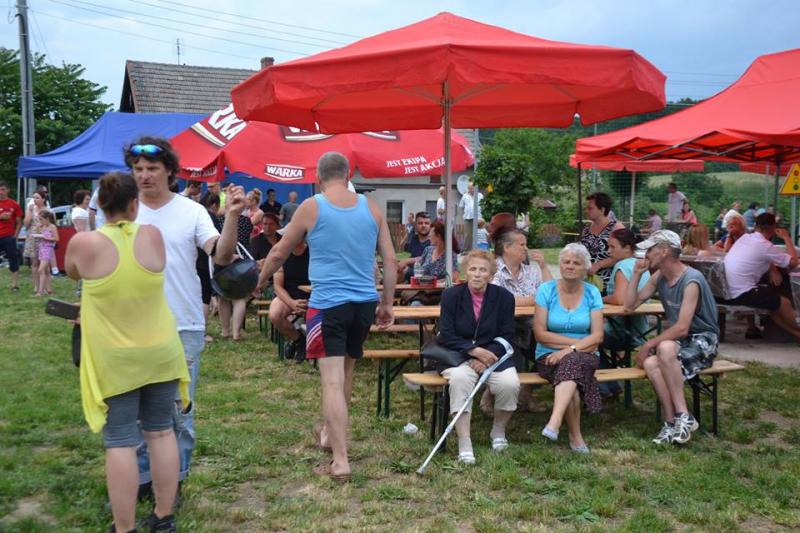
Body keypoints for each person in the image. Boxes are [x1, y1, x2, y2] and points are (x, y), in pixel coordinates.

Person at [255, 151, 396, 482]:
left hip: (328, 304)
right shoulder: (371, 208)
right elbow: (390, 260)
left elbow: (278, 252)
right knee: (346, 373)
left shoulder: (312, 206)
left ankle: (341, 461)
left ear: (318, 178)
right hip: (363, 303)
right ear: (348, 175)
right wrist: (387, 303)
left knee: (331, 380)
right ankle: (331, 437)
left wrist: (258, 281)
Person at [65, 172, 190, 533]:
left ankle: (124, 528)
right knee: (161, 433)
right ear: (134, 204)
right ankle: (163, 518)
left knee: (120, 441)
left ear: (100, 204)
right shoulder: (153, 236)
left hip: (116, 359)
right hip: (161, 352)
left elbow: (73, 273)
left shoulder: (84, 244)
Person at [124, 136, 241, 499]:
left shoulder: (192, 211)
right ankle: (144, 478)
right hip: (131, 326)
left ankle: (174, 479)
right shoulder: (121, 210)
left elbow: (221, 256)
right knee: (135, 408)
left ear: (170, 171)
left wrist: (232, 217)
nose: (144, 175)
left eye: (151, 168)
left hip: (183, 323)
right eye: (137, 169)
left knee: (179, 411)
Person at [624, 230, 719, 445]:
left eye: (650, 249)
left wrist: (648, 344)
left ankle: (682, 416)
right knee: (651, 362)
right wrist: (636, 275)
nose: (646, 254)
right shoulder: (659, 276)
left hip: (704, 340)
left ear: (665, 251)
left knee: (664, 347)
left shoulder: (691, 279)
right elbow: (629, 306)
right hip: (682, 342)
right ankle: (672, 422)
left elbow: (682, 328)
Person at [437, 250, 518, 464]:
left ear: (491, 275)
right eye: (472, 269)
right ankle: (464, 441)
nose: (477, 274)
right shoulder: (451, 296)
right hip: (458, 356)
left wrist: (486, 357)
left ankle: (498, 431)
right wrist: (473, 351)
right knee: (460, 380)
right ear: (466, 272)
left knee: (509, 384)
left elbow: (507, 334)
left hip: (494, 356)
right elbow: (446, 335)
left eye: (483, 270)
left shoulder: (504, 298)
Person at [534, 243, 603, 454]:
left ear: (585, 268)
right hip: (548, 355)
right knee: (571, 370)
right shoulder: (546, 290)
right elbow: (540, 334)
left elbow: (598, 336)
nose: (570, 266)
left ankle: (554, 423)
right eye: (566, 262)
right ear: (560, 265)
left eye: (576, 263)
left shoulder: (592, 293)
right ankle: (575, 437)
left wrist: (568, 350)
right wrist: (578, 346)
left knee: (570, 364)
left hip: (584, 356)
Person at [488, 228, 551, 411]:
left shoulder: (531, 271)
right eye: (522, 244)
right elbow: (499, 299)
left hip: (532, 325)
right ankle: (492, 397)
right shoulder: (493, 269)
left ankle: (526, 391)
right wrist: (533, 299)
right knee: (511, 347)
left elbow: (549, 294)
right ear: (507, 247)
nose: (526, 248)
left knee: (551, 350)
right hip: (503, 327)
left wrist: (544, 267)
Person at [723, 213, 800, 343]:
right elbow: (793, 263)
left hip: (726, 291)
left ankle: (797, 334)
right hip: (742, 292)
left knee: (773, 306)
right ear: (773, 228)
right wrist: (787, 238)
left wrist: (772, 268)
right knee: (784, 302)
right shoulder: (765, 245)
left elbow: (758, 255)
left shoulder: (745, 238)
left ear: (756, 226)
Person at [600, 229, 651, 399]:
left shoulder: (621, 266)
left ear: (627, 248)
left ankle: (607, 386)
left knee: (584, 337)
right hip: (641, 331)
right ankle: (610, 384)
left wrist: (599, 298)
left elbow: (619, 299)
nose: (608, 251)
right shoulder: (640, 266)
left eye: (612, 247)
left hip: (622, 332)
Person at [269, 231, 311, 362]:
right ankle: (299, 340)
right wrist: (291, 303)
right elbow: (277, 286)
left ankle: (312, 345)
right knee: (275, 315)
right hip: (288, 295)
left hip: (313, 295)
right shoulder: (281, 255)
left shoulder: (314, 253)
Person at [580, 192, 624, 293]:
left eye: (590, 208)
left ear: (602, 210)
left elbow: (623, 255)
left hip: (608, 283)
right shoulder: (586, 229)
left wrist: (598, 265)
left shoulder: (616, 228)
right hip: (586, 282)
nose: (586, 211)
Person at [23, 191, 48, 293]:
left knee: (44, 263)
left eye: (37, 198)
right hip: (32, 237)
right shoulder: (31, 209)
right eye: (34, 198)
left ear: (43, 199)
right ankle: (36, 286)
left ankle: (45, 287)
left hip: (44, 238)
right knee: (34, 262)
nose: (35, 200)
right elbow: (26, 224)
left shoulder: (47, 210)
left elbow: (51, 225)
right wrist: (29, 212)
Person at [0, 182, 23, 291]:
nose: (0, 192)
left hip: (8, 237)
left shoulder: (14, 204)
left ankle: (14, 285)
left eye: (3, 189)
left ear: (8, 190)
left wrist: (15, 235)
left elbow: (19, 221)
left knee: (13, 259)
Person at [396, 212, 432, 280]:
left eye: (426, 223)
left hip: (428, 274)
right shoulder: (413, 239)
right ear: (415, 225)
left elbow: (429, 258)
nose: (423, 225)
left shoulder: (434, 241)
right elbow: (408, 255)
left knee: (403, 270)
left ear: (431, 225)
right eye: (420, 223)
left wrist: (407, 261)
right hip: (414, 273)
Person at [34, 209, 58, 296]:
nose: (40, 221)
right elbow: (37, 234)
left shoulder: (52, 227)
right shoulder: (42, 226)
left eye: (41, 219)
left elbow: (56, 238)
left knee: (40, 270)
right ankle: (49, 289)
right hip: (41, 249)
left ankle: (40, 291)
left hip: (48, 249)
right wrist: (38, 228)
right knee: (46, 270)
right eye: (39, 219)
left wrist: (46, 238)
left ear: (47, 218)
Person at [458, 182, 483, 250]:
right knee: (468, 234)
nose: (471, 190)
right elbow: (461, 206)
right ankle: (466, 249)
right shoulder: (465, 196)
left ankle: (478, 249)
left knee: (479, 233)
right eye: (469, 188)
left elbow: (483, 205)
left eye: (472, 188)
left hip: (478, 217)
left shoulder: (480, 195)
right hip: (468, 217)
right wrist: (466, 212)